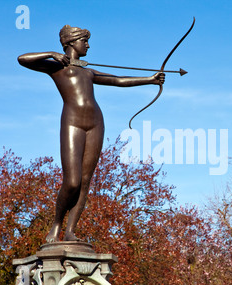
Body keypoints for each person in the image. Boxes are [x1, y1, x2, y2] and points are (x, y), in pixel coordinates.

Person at [18, 25, 165, 242]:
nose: (88, 45)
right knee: (72, 181)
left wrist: (150, 80)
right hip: (72, 123)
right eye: (84, 41)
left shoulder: (88, 71)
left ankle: (70, 231)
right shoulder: (55, 67)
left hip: (96, 122)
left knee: (85, 181)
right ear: (70, 43)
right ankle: (56, 225)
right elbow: (22, 59)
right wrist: (51, 54)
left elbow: (117, 80)